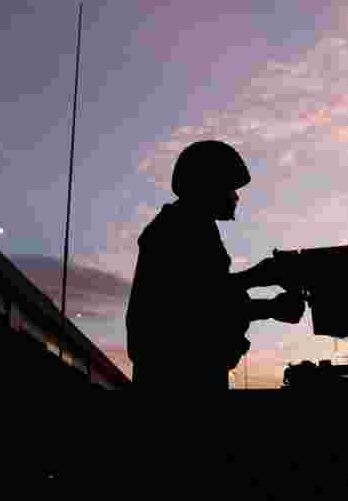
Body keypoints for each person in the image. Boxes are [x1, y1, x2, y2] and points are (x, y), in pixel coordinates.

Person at [126, 140, 305, 390]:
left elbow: (210, 302)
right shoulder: (179, 226)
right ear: (211, 185)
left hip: (187, 370)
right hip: (178, 376)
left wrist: (270, 307)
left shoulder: (191, 225)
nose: (236, 196)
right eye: (231, 187)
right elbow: (196, 300)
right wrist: (260, 279)